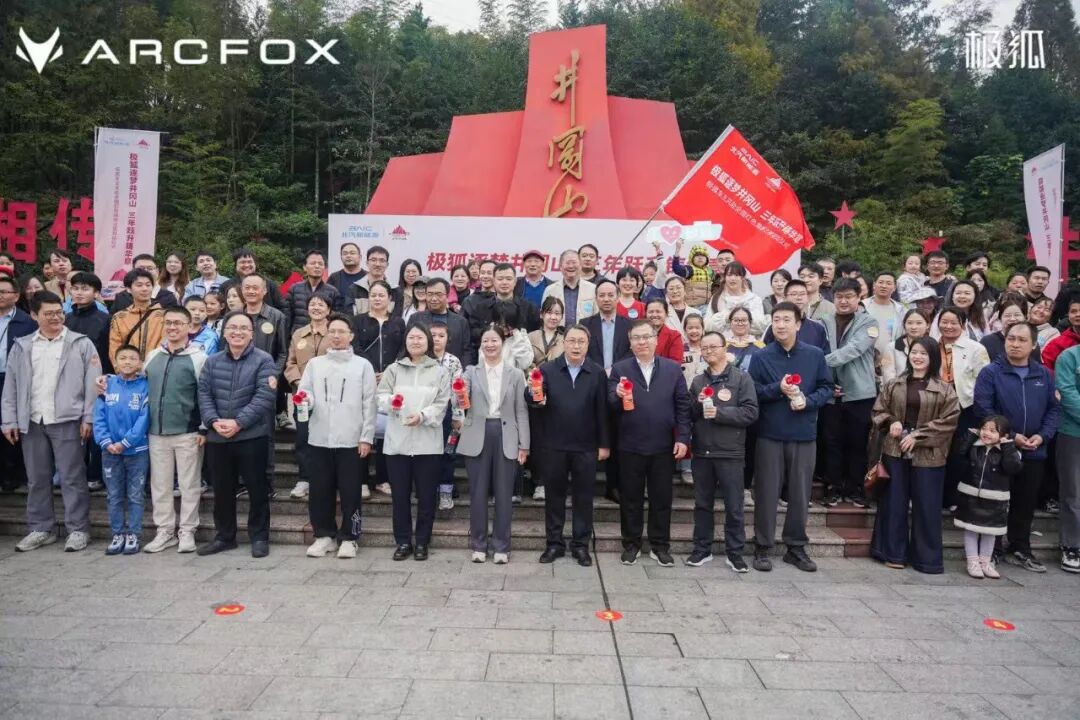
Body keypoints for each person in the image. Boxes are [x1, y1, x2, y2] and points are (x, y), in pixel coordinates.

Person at [2, 291, 100, 552]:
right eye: (49, 313)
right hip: (33, 419)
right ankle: (40, 528)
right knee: (37, 478)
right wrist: (9, 420)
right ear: (34, 315)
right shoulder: (23, 345)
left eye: (59, 312)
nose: (56, 317)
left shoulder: (80, 343)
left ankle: (78, 529)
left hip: (67, 419)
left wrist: (89, 417)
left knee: (72, 477)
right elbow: (11, 385)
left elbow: (93, 384)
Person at [748, 302, 833, 573]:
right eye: (776, 320)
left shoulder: (814, 355)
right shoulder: (761, 356)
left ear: (798, 324)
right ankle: (762, 545)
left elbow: (827, 388)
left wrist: (808, 401)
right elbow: (753, 392)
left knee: (800, 493)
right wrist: (778, 388)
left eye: (786, 319)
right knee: (766, 493)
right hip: (770, 434)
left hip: (803, 433)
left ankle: (795, 547)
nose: (781, 324)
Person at [973, 321, 1059, 573]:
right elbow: (983, 409)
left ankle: (1020, 548)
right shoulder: (991, 372)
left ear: (1033, 345)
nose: (1015, 344)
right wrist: (1010, 436)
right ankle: (992, 549)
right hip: (1000, 449)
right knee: (997, 501)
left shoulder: (1044, 374)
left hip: (1034, 450)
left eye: (1022, 340)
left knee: (1025, 501)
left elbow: (1054, 410)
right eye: (1011, 338)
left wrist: (1042, 436)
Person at [870, 336, 959, 573]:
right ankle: (892, 553)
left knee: (927, 505)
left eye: (923, 353)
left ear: (933, 358)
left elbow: (949, 421)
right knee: (893, 503)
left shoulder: (945, 389)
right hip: (894, 449)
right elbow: (879, 410)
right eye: (914, 352)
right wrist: (891, 421)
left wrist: (918, 436)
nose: (917, 357)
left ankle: (926, 559)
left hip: (929, 454)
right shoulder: (895, 384)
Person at [610, 319, 691, 566]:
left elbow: (683, 405)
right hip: (629, 445)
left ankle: (660, 545)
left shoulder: (672, 369)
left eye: (646, 337)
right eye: (636, 338)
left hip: (663, 445)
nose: (642, 342)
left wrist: (683, 438)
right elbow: (609, 402)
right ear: (630, 343)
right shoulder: (620, 368)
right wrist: (616, 394)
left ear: (656, 340)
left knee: (661, 498)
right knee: (630, 498)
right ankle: (631, 544)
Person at [196, 310, 277, 558]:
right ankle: (224, 536)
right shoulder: (212, 361)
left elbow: (264, 396)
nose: (237, 332)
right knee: (222, 490)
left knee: (257, 489)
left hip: (252, 436)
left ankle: (259, 536)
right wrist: (213, 421)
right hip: (218, 436)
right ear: (224, 332)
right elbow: (204, 393)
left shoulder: (264, 360)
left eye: (243, 328)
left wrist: (239, 423)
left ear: (252, 334)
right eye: (232, 327)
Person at [298, 313, 377, 559]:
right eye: (332, 331)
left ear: (351, 335)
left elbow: (370, 403)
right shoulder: (315, 364)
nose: (336, 335)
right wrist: (305, 400)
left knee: (351, 491)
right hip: (319, 437)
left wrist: (366, 437)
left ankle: (350, 537)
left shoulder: (362, 365)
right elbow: (305, 392)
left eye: (341, 331)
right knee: (320, 490)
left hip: (351, 440)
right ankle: (324, 535)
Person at [529, 324, 608, 567]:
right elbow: (533, 398)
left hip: (586, 446)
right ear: (563, 343)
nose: (576, 346)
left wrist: (604, 444)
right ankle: (554, 543)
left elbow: (603, 411)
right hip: (554, 445)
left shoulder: (596, 372)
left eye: (581, 342)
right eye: (571, 341)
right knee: (554, 497)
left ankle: (581, 545)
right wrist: (534, 395)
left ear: (588, 344)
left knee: (584, 498)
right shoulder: (548, 370)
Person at [686, 331, 758, 571]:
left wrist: (720, 412)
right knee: (702, 505)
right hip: (703, 452)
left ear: (725, 348)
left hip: (731, 453)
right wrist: (698, 404)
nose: (708, 351)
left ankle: (735, 553)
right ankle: (701, 549)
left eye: (713, 347)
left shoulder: (741, 378)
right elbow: (690, 414)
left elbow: (750, 412)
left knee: (734, 506)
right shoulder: (698, 381)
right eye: (704, 348)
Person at [378, 324, 451, 561]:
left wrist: (422, 416)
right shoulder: (394, 369)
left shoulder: (440, 372)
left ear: (428, 341)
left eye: (420, 337)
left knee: (427, 497)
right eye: (411, 337)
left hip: (428, 444)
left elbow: (441, 403)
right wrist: (392, 402)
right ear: (405, 341)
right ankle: (402, 541)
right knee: (400, 497)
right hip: (397, 443)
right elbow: (380, 396)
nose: (416, 341)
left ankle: (422, 541)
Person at [459, 325, 530, 564]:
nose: (490, 345)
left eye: (494, 340)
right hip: (477, 434)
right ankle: (479, 545)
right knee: (478, 494)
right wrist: (458, 392)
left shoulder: (515, 374)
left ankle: (502, 546)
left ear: (503, 343)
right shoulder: (471, 372)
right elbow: (460, 400)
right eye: (486, 341)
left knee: (504, 494)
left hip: (506, 434)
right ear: (481, 345)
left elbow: (521, 411)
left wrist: (524, 444)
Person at [142, 307, 207, 554]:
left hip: (188, 431)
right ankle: (165, 531)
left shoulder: (198, 358)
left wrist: (203, 427)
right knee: (160, 485)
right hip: (156, 431)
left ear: (189, 326)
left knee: (190, 484)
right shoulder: (153, 356)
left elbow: (205, 394)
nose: (172, 327)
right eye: (168, 323)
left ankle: (187, 530)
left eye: (178, 323)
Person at [821, 278, 880, 507]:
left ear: (858, 297)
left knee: (857, 442)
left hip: (859, 393)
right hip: (829, 392)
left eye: (849, 297)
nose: (843, 301)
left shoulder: (869, 322)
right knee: (832, 442)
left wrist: (818, 362)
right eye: (839, 297)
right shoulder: (823, 321)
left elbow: (854, 349)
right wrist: (825, 381)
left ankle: (855, 488)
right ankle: (833, 488)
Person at [93, 345, 150, 555]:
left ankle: (134, 534)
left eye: (133, 358)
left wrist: (126, 442)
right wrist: (106, 442)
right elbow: (99, 417)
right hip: (110, 452)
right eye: (123, 358)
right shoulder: (107, 385)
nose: (127, 362)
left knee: (135, 495)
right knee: (114, 495)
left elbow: (144, 418)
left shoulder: (145, 386)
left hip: (137, 451)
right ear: (115, 363)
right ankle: (117, 533)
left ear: (140, 364)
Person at [353, 281, 406, 497]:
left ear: (389, 298)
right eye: (373, 295)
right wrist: (371, 370)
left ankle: (383, 479)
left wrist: (390, 371)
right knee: (363, 429)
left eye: (381, 295)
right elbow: (355, 347)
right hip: (364, 380)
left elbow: (403, 348)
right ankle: (362, 480)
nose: (377, 299)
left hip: (391, 381)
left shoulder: (398, 322)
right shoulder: (358, 321)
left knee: (387, 430)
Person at [936, 307, 992, 511]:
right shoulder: (932, 345)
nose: (948, 326)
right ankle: (934, 496)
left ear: (963, 324)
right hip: (935, 406)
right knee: (935, 452)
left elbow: (984, 380)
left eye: (954, 322)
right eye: (944, 322)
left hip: (965, 407)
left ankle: (952, 497)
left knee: (959, 455)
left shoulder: (975, 348)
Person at [954, 415, 1022, 579]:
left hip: (994, 499)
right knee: (971, 529)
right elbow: (959, 452)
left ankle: (985, 561)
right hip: (971, 495)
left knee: (990, 532)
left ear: (1004, 435)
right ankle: (972, 561)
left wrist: (1007, 446)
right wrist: (971, 435)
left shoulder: (1008, 451)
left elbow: (1013, 467)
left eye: (992, 430)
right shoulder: (974, 446)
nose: (986, 433)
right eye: (984, 429)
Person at [284, 294, 333, 500]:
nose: (316, 307)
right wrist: (299, 383)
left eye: (321, 304)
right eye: (312, 304)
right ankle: (304, 478)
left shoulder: (334, 332)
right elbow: (290, 363)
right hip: (303, 397)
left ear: (328, 309)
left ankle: (326, 479)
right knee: (303, 438)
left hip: (330, 396)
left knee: (327, 438)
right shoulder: (299, 334)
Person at [0, 275, 37, 492]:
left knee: (11, 425)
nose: (0, 296)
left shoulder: (27, 323)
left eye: (4, 292)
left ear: (16, 296)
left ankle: (12, 475)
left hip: (13, 379)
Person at [242, 274, 289, 435]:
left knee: (265, 428)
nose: (251, 291)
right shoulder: (234, 316)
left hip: (266, 380)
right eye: (247, 288)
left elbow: (283, 352)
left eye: (255, 288)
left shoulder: (277, 317)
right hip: (240, 378)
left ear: (264, 291)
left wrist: (273, 375)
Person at [430, 322, 464, 510]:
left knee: (448, 453)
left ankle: (445, 492)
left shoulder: (454, 361)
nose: (436, 339)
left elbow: (459, 390)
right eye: (433, 335)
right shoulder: (422, 358)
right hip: (426, 415)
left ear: (447, 339)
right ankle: (428, 489)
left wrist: (459, 415)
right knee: (428, 455)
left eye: (441, 335)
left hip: (448, 414)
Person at [1054, 344, 1080, 573]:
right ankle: (1072, 545)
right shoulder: (1070, 357)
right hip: (1073, 432)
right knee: (1073, 492)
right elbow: (1067, 392)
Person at [408, 277, 473, 366]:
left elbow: (467, 352)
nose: (434, 298)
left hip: (452, 371)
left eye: (439, 294)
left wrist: (463, 372)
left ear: (447, 295)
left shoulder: (461, 322)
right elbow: (407, 347)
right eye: (430, 294)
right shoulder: (415, 318)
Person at [109, 268, 166, 363]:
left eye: (148, 285)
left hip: (155, 368)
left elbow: (165, 344)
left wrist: (152, 367)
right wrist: (121, 368)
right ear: (128, 289)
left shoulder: (164, 316)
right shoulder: (119, 318)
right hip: (127, 369)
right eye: (139, 285)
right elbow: (114, 348)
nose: (145, 289)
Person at [762, 280, 830, 353]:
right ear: (785, 297)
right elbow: (764, 352)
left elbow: (825, 356)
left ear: (808, 297)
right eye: (794, 294)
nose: (798, 298)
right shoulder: (775, 327)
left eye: (802, 294)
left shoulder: (818, 328)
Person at [65, 272, 111, 374]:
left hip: (97, 372)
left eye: (85, 289)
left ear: (96, 293)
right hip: (69, 372)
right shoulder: (66, 319)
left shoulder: (106, 320)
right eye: (75, 288)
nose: (79, 293)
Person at [705, 262, 766, 336]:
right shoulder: (717, 298)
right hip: (723, 341)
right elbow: (707, 326)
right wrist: (726, 316)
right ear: (725, 277)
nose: (732, 278)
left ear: (742, 278)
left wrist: (743, 315)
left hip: (748, 341)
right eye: (729, 275)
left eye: (736, 275)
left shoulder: (753, 299)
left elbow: (761, 327)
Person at [583, 280, 632, 372]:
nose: (606, 299)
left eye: (610, 295)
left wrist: (614, 370)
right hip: (593, 374)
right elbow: (583, 352)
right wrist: (599, 371)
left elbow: (631, 352)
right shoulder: (585, 324)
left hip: (621, 374)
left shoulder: (629, 325)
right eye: (602, 295)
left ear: (618, 298)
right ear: (596, 299)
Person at [285, 249, 341, 329]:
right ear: (304, 267)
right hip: (299, 334)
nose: (317, 266)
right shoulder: (294, 289)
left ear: (324, 268)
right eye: (313, 263)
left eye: (320, 264)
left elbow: (336, 319)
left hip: (323, 335)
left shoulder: (333, 291)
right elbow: (287, 317)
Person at [542, 250, 596, 327]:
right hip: (558, 333)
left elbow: (597, 317)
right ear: (560, 267)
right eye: (567, 263)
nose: (571, 266)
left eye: (574, 262)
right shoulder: (550, 290)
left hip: (585, 333)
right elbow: (545, 318)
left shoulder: (593, 289)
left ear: (580, 265)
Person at [110, 254, 180, 312]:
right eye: (141, 268)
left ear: (157, 271)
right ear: (133, 271)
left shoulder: (168, 297)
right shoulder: (121, 297)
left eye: (150, 268)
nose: (145, 272)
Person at [881, 308, 929, 384]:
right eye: (910, 323)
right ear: (904, 325)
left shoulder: (933, 346)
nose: (914, 327)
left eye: (919, 323)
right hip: (897, 388)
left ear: (927, 325)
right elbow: (887, 373)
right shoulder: (890, 347)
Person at [862, 272, 903, 356]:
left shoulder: (900, 310)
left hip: (890, 357)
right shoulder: (862, 306)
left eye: (888, 283)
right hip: (865, 356)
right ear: (874, 285)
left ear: (894, 288)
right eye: (880, 282)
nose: (884, 286)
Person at [980, 297, 1030, 363]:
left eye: (1017, 315)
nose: (1012, 319)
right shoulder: (987, 341)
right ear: (1000, 318)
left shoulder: (1030, 342)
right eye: (1007, 315)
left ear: (1025, 317)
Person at [350, 246, 392, 315]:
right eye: (373, 260)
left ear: (387, 264)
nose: (377, 264)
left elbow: (396, 318)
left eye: (382, 260)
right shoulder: (354, 289)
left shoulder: (395, 290)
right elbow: (350, 317)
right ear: (367, 263)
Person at [671, 242, 716, 308]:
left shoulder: (710, 271)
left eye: (703, 255)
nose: (700, 257)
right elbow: (676, 268)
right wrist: (677, 249)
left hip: (707, 306)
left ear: (707, 259)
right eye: (697, 255)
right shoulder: (690, 269)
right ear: (692, 258)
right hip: (692, 306)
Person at [1042, 297, 1080, 371]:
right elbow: (1045, 370)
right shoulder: (1057, 344)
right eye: (1073, 311)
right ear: (1068, 316)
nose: (1078, 314)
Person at [529, 297, 566, 368]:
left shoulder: (565, 339)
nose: (553, 317)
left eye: (557, 313)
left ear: (562, 316)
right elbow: (526, 363)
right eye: (549, 312)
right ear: (541, 314)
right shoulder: (530, 337)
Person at [645, 298, 684, 364]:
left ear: (666, 314)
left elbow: (675, 363)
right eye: (651, 312)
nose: (654, 315)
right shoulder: (638, 334)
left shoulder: (674, 336)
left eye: (658, 312)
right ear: (646, 314)